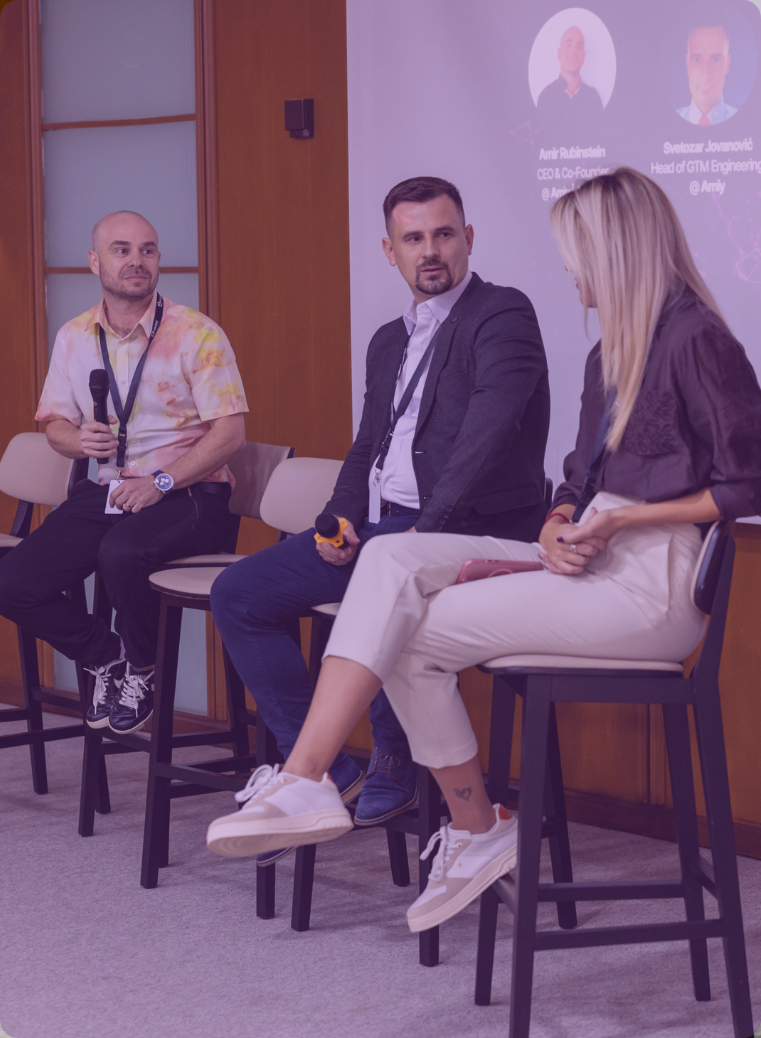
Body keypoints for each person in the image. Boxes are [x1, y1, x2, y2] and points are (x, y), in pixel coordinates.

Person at [206, 168, 761, 935]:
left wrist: (621, 523)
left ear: (613, 250)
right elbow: (577, 478)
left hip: (650, 588)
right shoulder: (610, 352)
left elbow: (745, 485)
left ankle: (369, 796)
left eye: (574, 252)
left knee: (402, 610)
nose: (568, 268)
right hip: (592, 562)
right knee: (391, 578)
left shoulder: (696, 339)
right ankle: (409, 805)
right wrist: (557, 522)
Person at [210, 176, 549, 865]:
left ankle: (392, 760)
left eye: (444, 234)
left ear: (468, 239)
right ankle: (332, 773)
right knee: (238, 593)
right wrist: (338, 520)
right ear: (389, 250)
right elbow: (369, 444)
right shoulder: (388, 340)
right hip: (383, 526)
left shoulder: (502, 314)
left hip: (473, 528)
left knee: (386, 573)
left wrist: (425, 529)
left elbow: (486, 433)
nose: (431, 250)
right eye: (413, 238)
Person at [0, 211, 247, 735]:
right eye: (121, 249)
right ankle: (106, 656)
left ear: (157, 260)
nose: (137, 260)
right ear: (95, 262)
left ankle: (142, 667)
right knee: (12, 582)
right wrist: (77, 440)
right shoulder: (74, 335)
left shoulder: (196, 333)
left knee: (121, 553)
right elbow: (55, 426)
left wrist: (160, 482)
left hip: (190, 494)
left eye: (147, 250)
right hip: (113, 490)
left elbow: (230, 435)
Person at [537, 25, 603, 124]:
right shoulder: (546, 97)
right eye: (568, 45)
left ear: (584, 55)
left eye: (579, 46)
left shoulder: (593, 98)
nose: (573, 51)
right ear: (559, 53)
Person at [677, 21, 737, 126]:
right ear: (688, 65)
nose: (705, 75)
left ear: (727, 64)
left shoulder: (748, 123)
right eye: (696, 60)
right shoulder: (665, 124)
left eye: (715, 59)